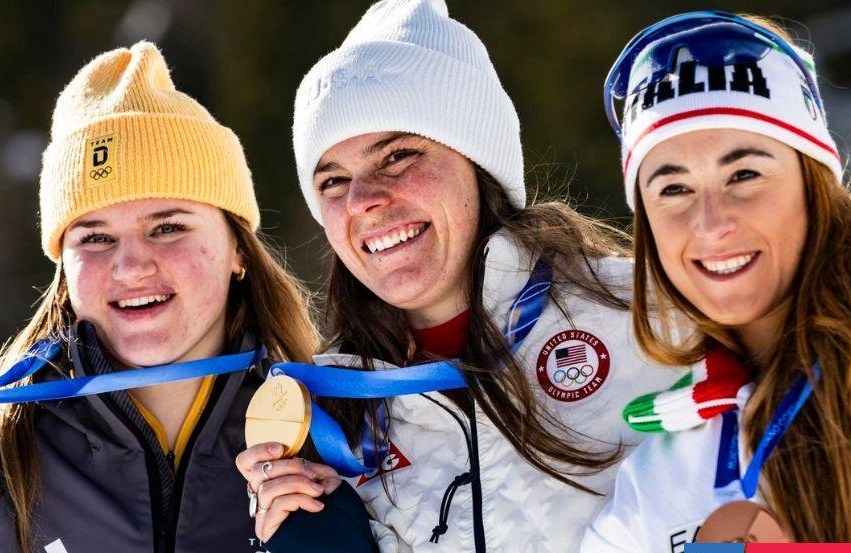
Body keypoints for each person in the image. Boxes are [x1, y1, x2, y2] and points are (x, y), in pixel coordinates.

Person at [0, 42, 353, 553]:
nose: (130, 264)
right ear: (63, 266)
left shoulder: (337, 435)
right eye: (95, 237)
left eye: (168, 226)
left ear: (237, 250)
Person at [236, 1, 690, 551]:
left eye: (398, 156)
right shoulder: (328, 416)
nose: (363, 201)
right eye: (332, 181)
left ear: (481, 164)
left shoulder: (653, 316)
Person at [582, 12, 851, 551]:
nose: (711, 223)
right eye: (672, 189)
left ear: (814, 185)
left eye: (744, 174)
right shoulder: (656, 479)